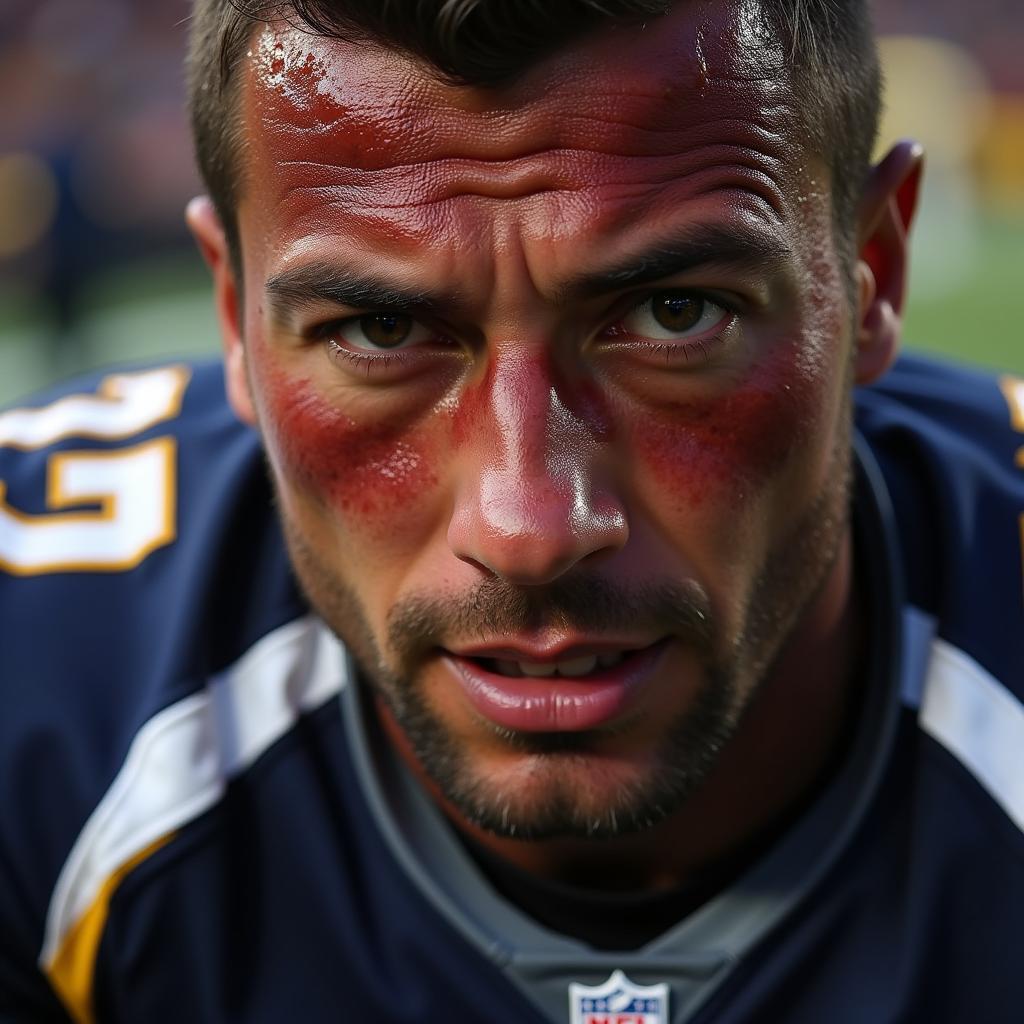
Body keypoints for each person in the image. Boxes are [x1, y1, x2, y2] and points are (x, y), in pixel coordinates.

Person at [0, 1, 1021, 1021]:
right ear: (232, 312)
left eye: (676, 313)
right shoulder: (39, 663)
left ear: (872, 271)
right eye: (381, 327)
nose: (529, 524)